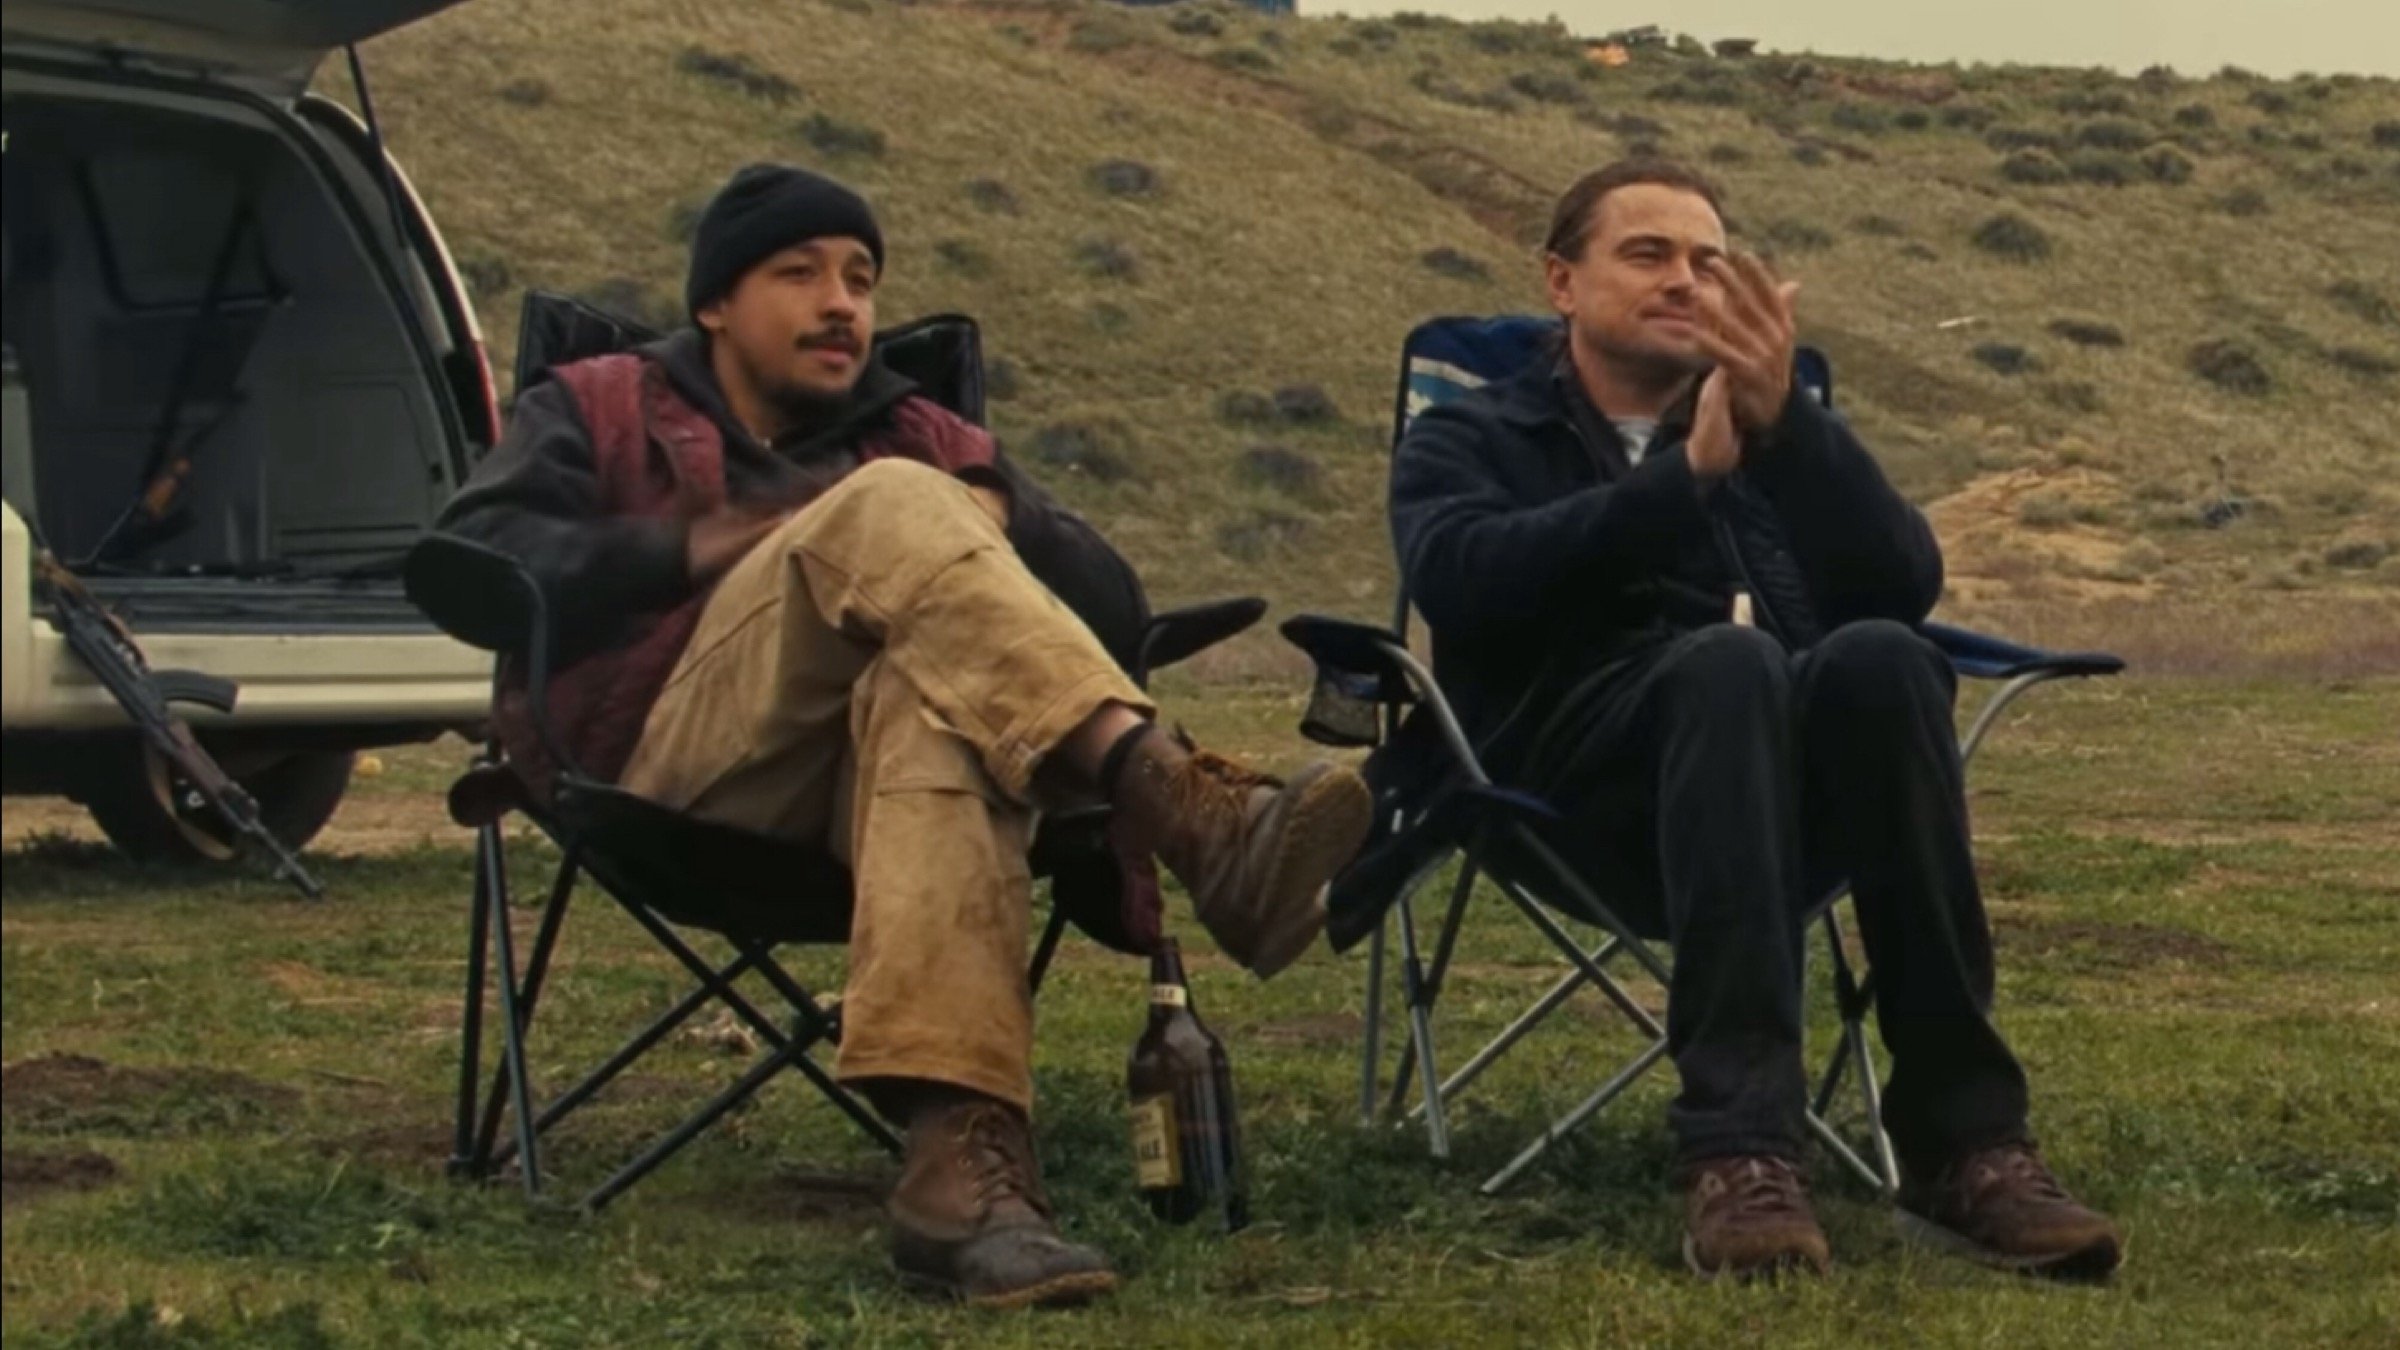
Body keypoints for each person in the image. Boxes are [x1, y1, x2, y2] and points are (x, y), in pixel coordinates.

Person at [437, 164, 1372, 1308]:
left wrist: (1003, 515)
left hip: (864, 794)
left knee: (933, 710)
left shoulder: (918, 428)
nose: (842, 304)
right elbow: (473, 560)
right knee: (888, 500)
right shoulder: (598, 403)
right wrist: (691, 545)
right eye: (802, 274)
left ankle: (959, 1174)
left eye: (862, 279)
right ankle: (1183, 806)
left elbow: (1112, 605)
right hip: (666, 758)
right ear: (716, 302)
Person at [1386, 159, 2122, 1280]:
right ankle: (1739, 1153)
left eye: (1708, 262)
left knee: (1884, 657)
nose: (1686, 280)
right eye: (1648, 254)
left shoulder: (1770, 430)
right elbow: (1459, 579)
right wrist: (1678, 484)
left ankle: (1966, 1144)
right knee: (1727, 663)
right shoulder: (1473, 432)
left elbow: (1902, 581)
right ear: (1561, 282)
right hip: (1562, 796)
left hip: (1771, 798)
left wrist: (1796, 434)